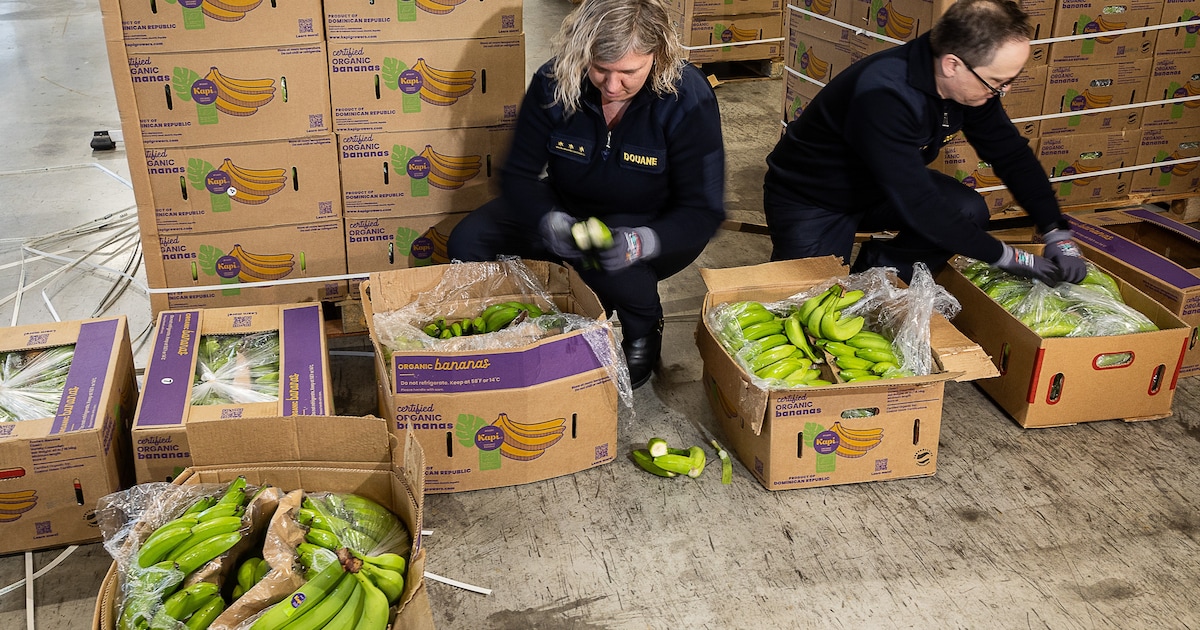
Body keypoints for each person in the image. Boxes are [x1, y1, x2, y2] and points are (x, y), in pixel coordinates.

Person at [447, 0, 726, 389]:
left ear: (658, 55)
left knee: (608, 265)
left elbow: (703, 210)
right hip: (568, 206)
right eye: (600, 69)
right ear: (583, 53)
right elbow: (517, 176)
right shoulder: (555, 80)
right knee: (467, 239)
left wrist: (642, 241)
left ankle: (644, 324)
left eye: (629, 72)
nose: (612, 87)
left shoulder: (687, 97)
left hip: (653, 223)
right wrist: (550, 221)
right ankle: (503, 323)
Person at [763, 0, 1087, 286]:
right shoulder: (884, 94)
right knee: (806, 303)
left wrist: (1055, 228)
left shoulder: (972, 84)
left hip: (879, 188)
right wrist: (1006, 256)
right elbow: (919, 203)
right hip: (814, 198)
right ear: (953, 64)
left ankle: (880, 277)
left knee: (968, 209)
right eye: (999, 82)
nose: (1004, 91)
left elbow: (1011, 154)